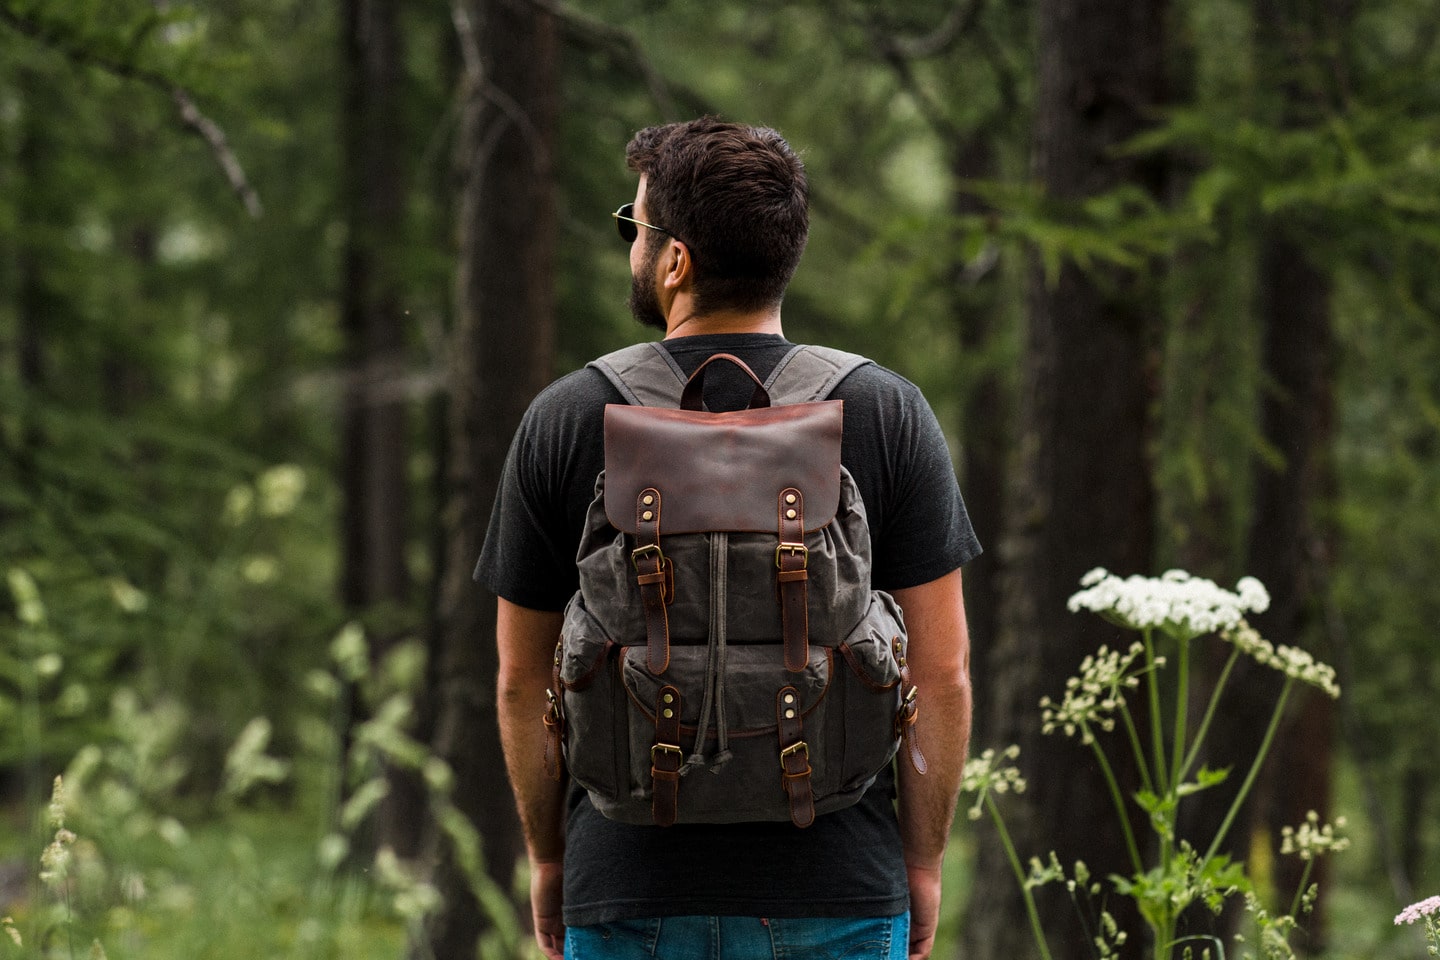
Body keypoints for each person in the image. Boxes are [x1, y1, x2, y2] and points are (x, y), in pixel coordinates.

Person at [476, 117, 979, 960]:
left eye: (634, 227)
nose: (631, 244)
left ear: (675, 261)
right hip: (840, 892)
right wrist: (921, 863)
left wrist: (549, 857)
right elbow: (943, 670)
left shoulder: (567, 418)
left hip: (625, 893)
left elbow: (522, 682)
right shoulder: (887, 412)